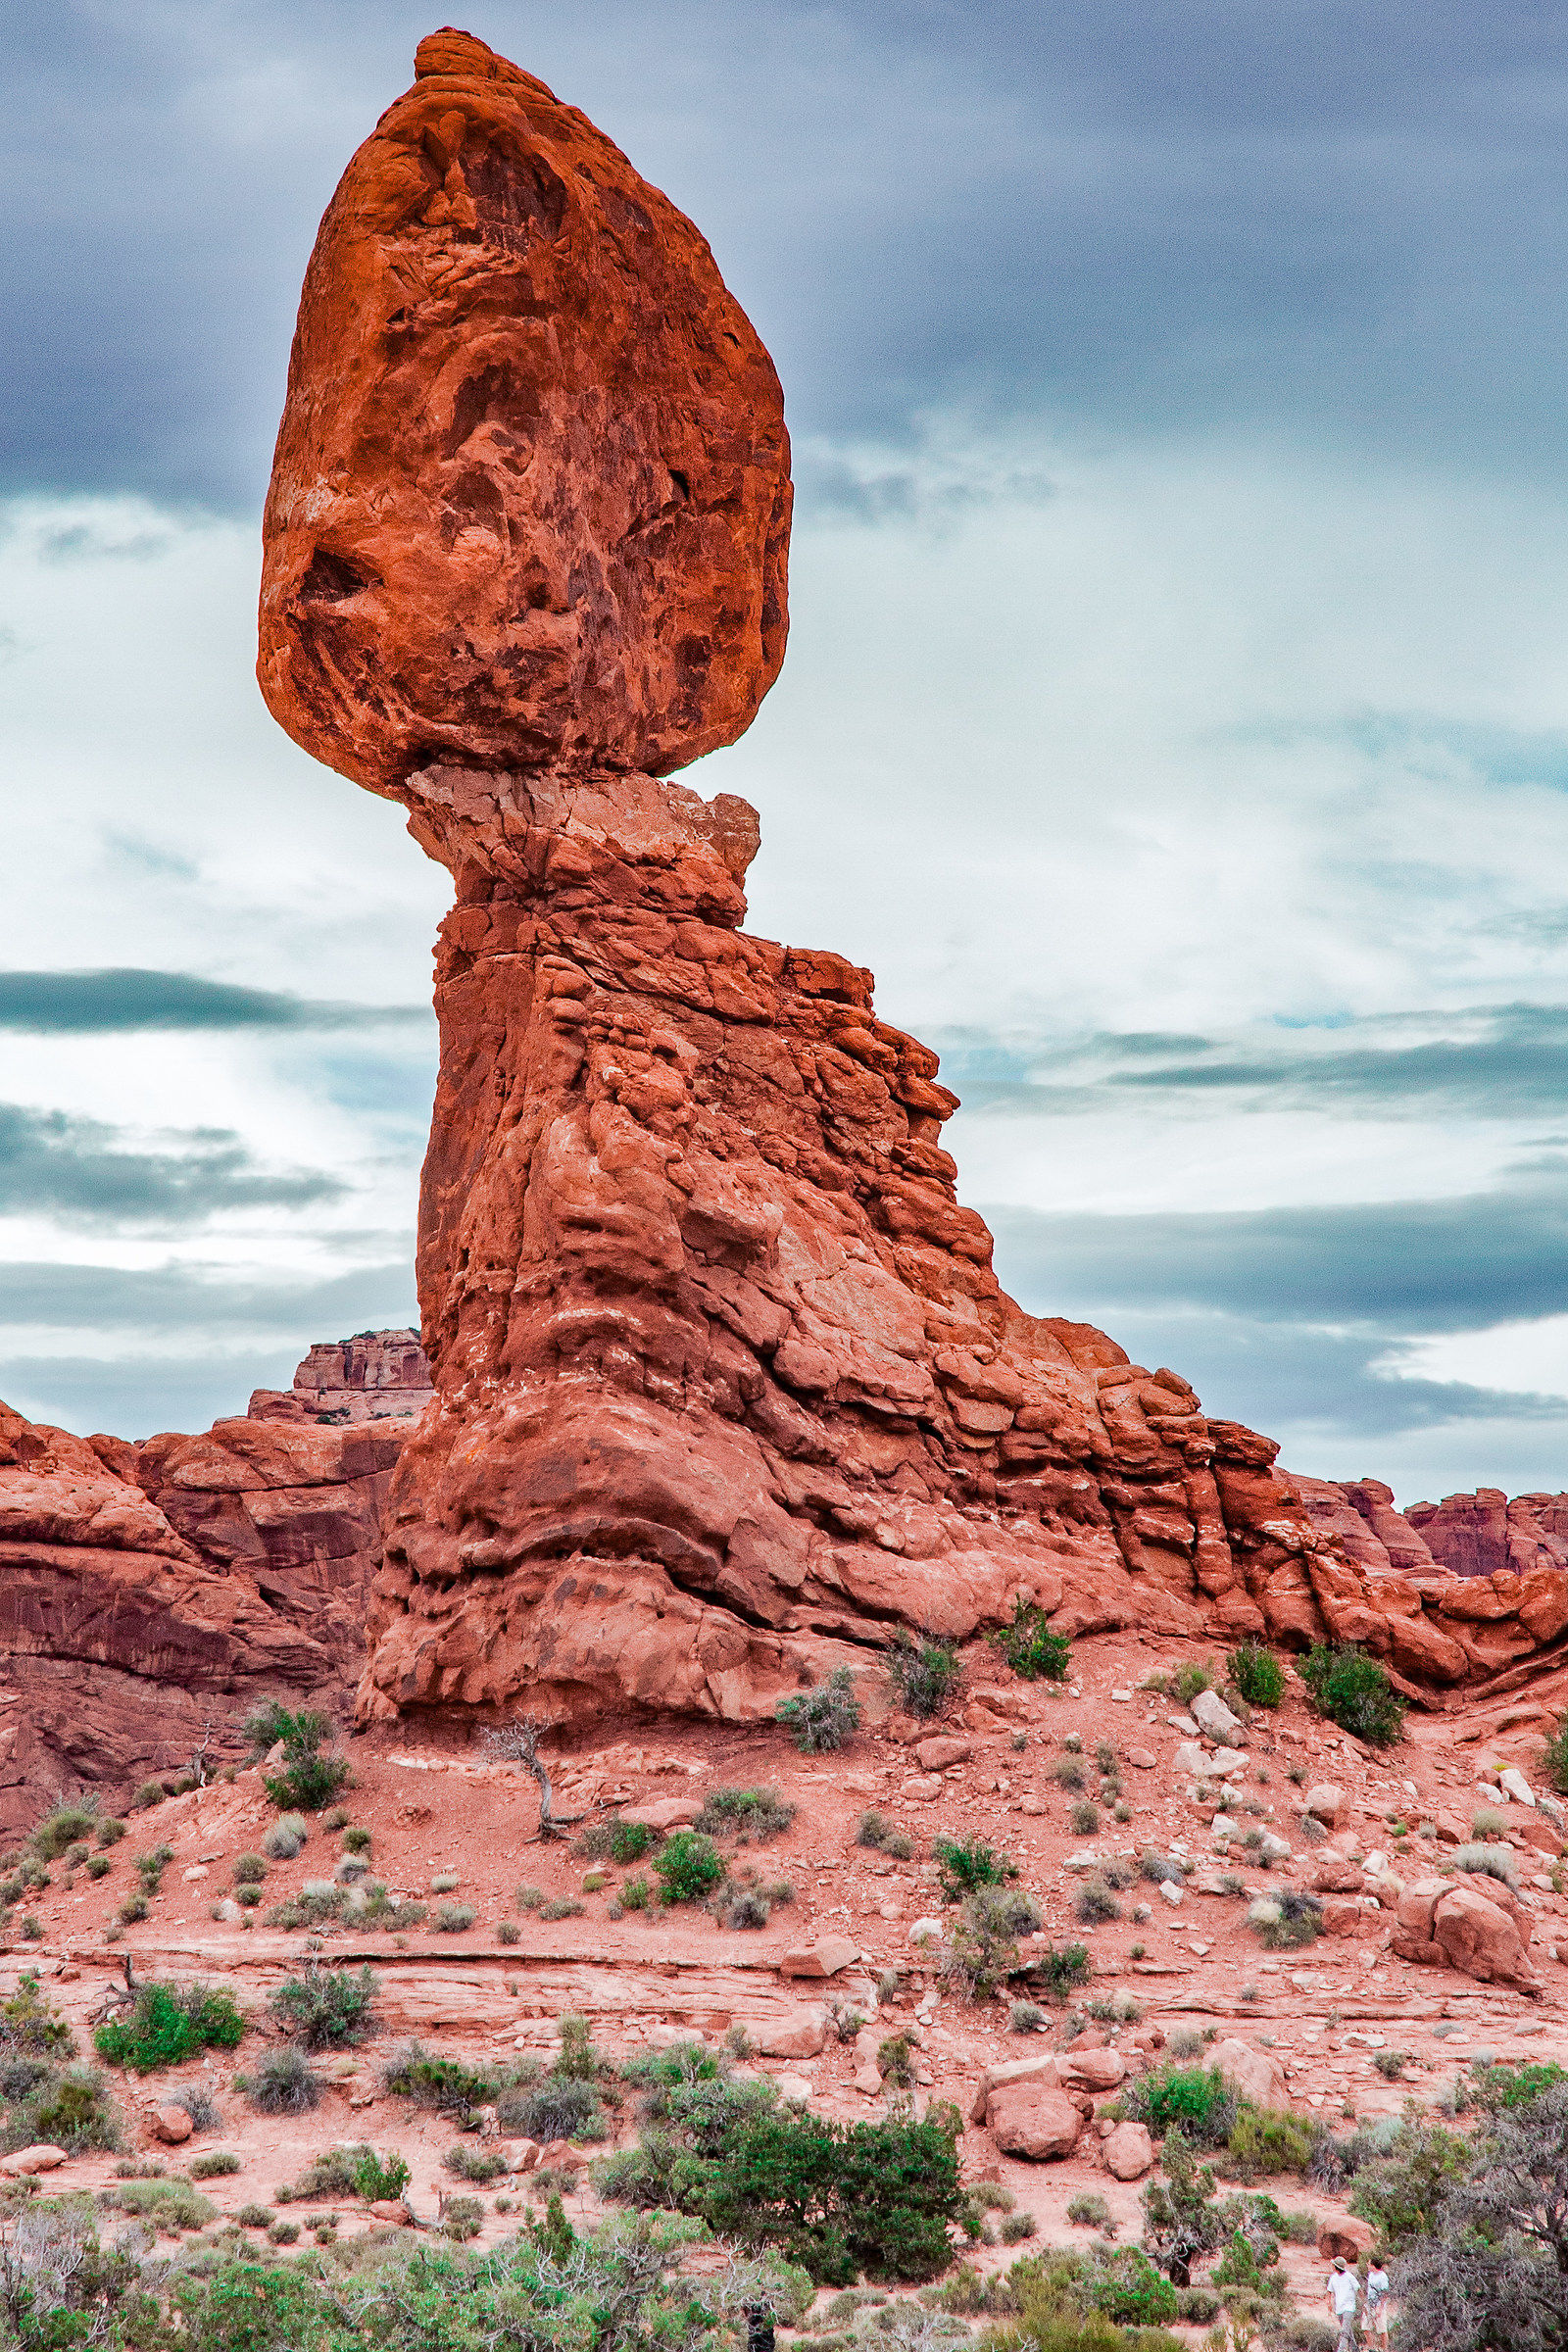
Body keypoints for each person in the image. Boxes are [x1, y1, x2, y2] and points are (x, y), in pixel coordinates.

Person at [1328, 2255, 1361, 2352]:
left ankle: (1341, 2349)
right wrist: (1329, 2303)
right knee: (1348, 2330)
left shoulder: (1349, 2277)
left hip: (1349, 2307)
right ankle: (1355, 2349)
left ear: (1336, 2267)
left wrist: (1363, 2303)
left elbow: (1358, 2289)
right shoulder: (1333, 2278)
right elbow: (1329, 2291)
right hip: (1339, 2307)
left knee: (1344, 2330)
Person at [1364, 2255, 1391, 2343]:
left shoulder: (1383, 2276)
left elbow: (1385, 2293)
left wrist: (1380, 2307)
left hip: (1379, 2304)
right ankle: (1371, 2346)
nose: (1367, 2265)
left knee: (1382, 2328)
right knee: (1366, 2327)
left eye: (1368, 2264)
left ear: (1373, 2265)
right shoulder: (1370, 2274)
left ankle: (1384, 2348)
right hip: (1370, 2303)